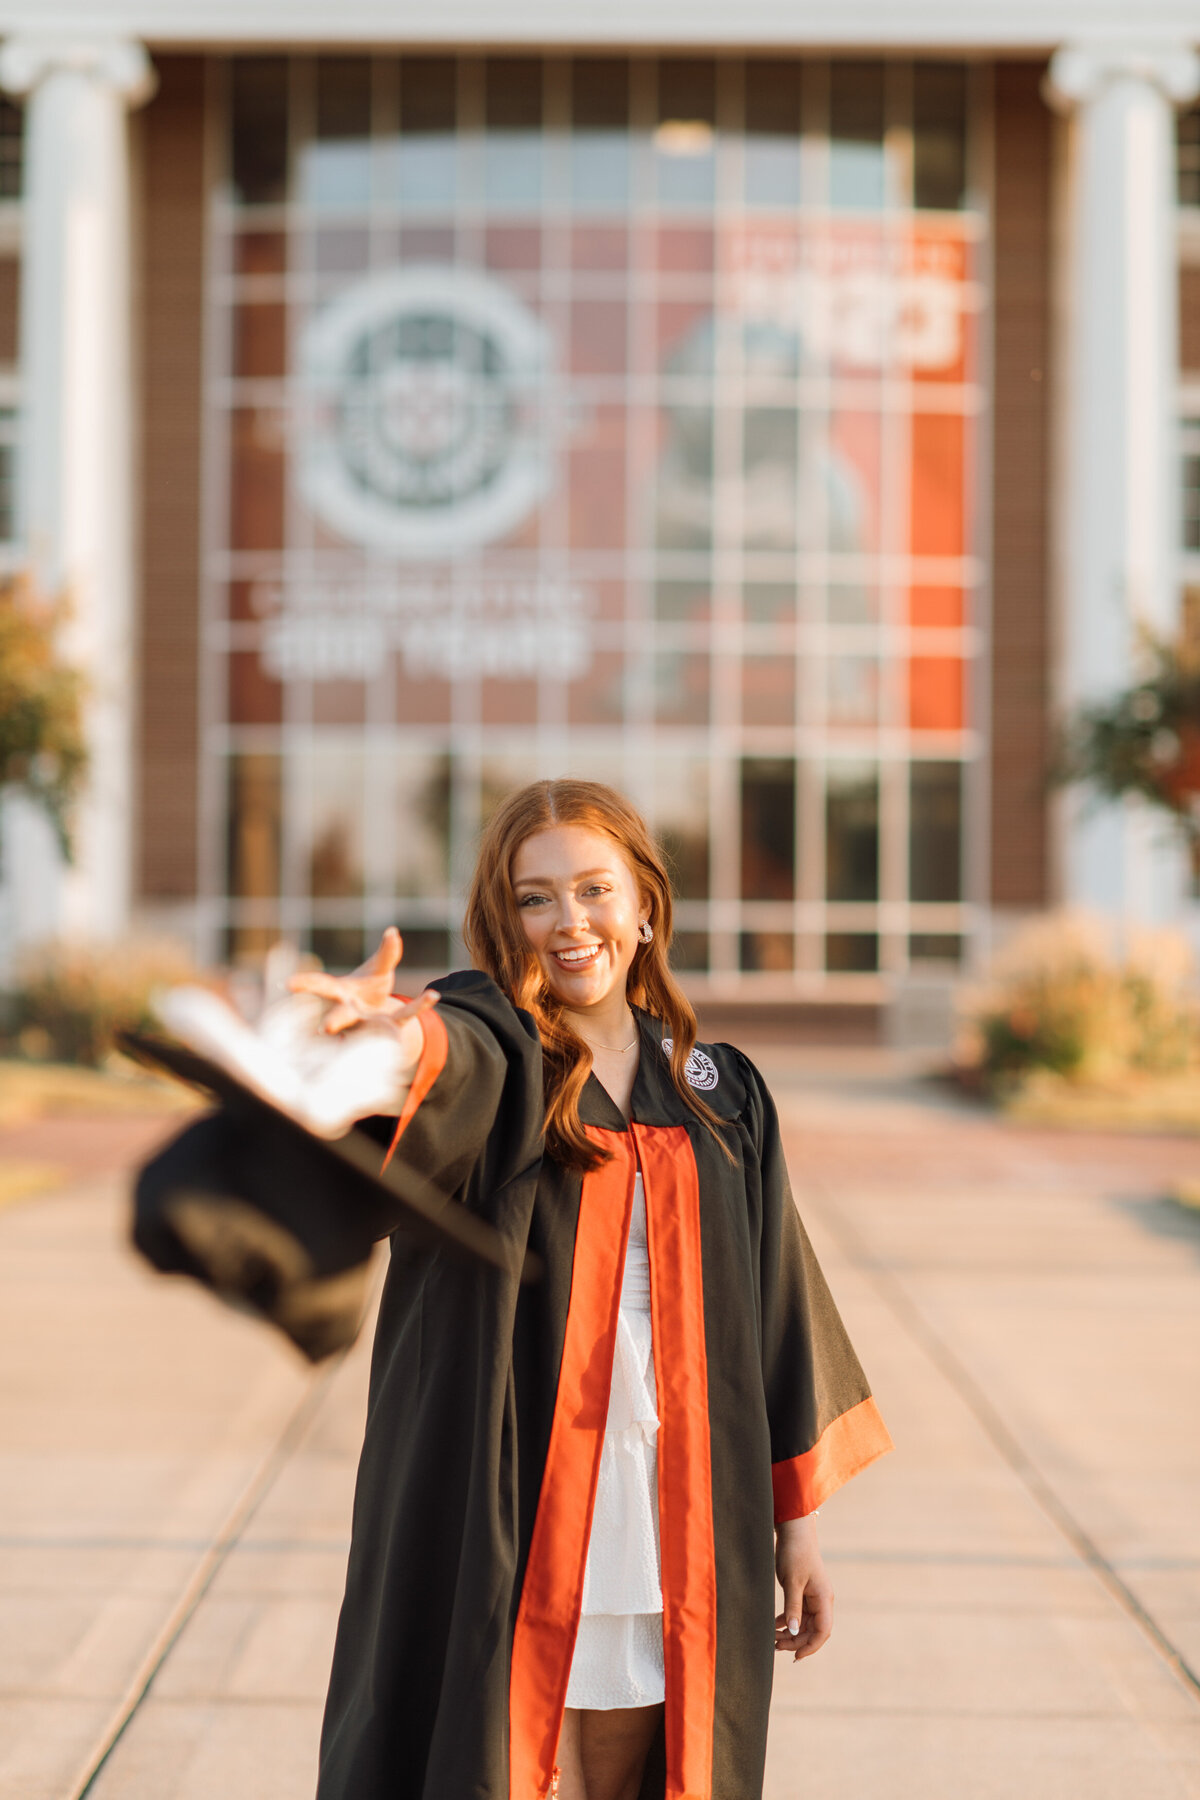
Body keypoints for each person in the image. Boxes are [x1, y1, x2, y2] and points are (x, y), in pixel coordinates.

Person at [256, 777, 894, 1800]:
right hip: (515, 1475)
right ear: (501, 919)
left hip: (678, 1480)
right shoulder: (499, 1047)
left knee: (646, 1740)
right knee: (496, 1742)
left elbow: (775, 1306)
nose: (569, 922)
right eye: (535, 897)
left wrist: (797, 1530)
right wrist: (378, 1042)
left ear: (644, 905)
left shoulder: (719, 1090)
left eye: (594, 889)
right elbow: (438, 1063)